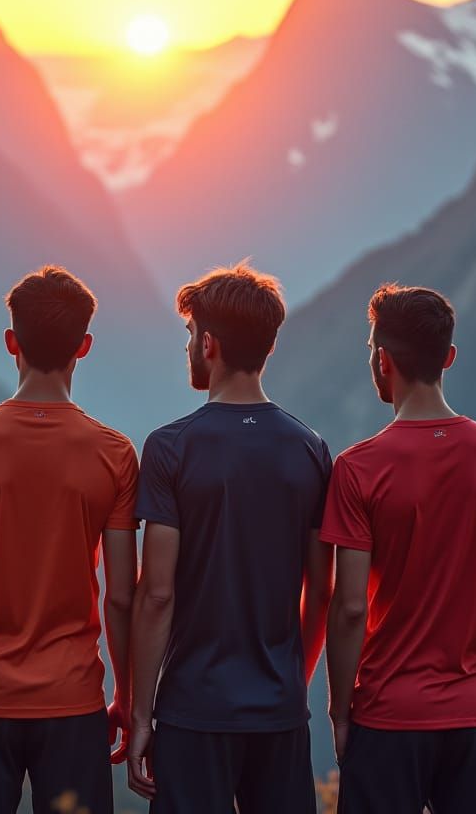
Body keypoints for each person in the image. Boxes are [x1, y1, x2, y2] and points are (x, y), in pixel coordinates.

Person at [322, 283, 476, 814]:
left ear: (382, 361)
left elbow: (351, 606)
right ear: (448, 357)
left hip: (385, 716)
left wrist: (339, 712)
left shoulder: (358, 468)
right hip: (475, 713)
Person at [128, 263, 333, 814]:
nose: (189, 348)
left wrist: (140, 713)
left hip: (195, 711)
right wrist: (293, 679)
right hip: (281, 713)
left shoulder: (171, 447)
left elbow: (157, 594)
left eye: (191, 335)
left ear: (209, 343)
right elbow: (321, 590)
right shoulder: (310, 449)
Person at [0, 266, 139, 814]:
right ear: (85, 346)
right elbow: (123, 594)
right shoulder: (115, 454)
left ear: (11, 342)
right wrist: (128, 696)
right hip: (73, 703)